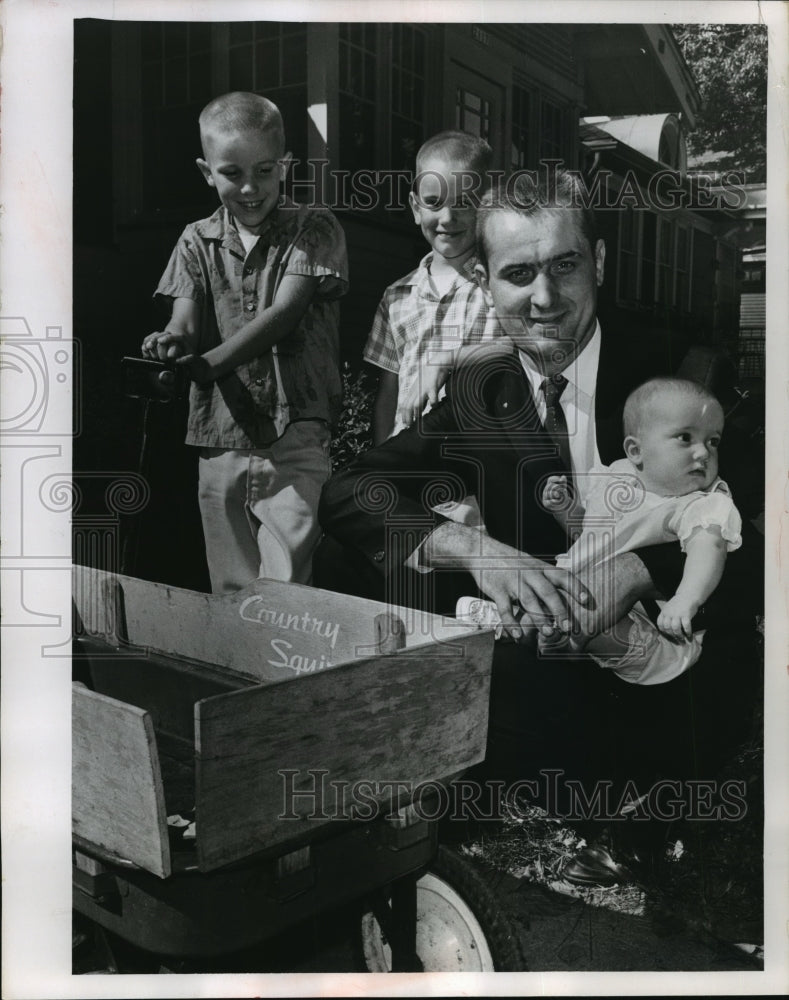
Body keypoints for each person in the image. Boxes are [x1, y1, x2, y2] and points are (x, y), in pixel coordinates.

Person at [316, 168, 762, 884]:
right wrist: (473, 547)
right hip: (550, 646)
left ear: (600, 262)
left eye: (564, 265)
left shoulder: (681, 375)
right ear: (487, 283)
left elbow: (761, 547)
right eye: (517, 273)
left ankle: (652, 797)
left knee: (712, 636)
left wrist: (640, 571)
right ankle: (476, 757)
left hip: (663, 651)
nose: (544, 298)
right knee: (360, 555)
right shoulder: (482, 390)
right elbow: (350, 490)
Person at [142, 92, 348, 594]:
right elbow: (184, 322)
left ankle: (288, 669)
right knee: (229, 583)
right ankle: (239, 672)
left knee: (288, 585)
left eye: (265, 170)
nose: (250, 187)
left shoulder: (314, 227)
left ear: (286, 166)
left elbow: (284, 314)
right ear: (206, 171)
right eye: (232, 173)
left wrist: (208, 363)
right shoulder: (195, 239)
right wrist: (168, 343)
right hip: (219, 435)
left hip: (296, 433)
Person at [535, 376, 743, 684]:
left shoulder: (696, 504)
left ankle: (541, 634)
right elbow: (589, 536)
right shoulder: (615, 478)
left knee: (588, 627)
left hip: (655, 635)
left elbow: (708, 550)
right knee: (541, 593)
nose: (703, 453)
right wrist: (564, 509)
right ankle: (518, 625)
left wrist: (686, 599)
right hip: (581, 593)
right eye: (685, 438)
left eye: (713, 441)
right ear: (635, 451)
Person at [365, 130, 503, 446]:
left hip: (474, 457)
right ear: (416, 208)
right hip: (406, 461)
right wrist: (379, 462)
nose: (447, 217)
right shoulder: (396, 296)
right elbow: (389, 392)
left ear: (486, 205)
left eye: (463, 203)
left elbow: (521, 350)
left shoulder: (499, 286)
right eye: (433, 203)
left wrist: (451, 359)